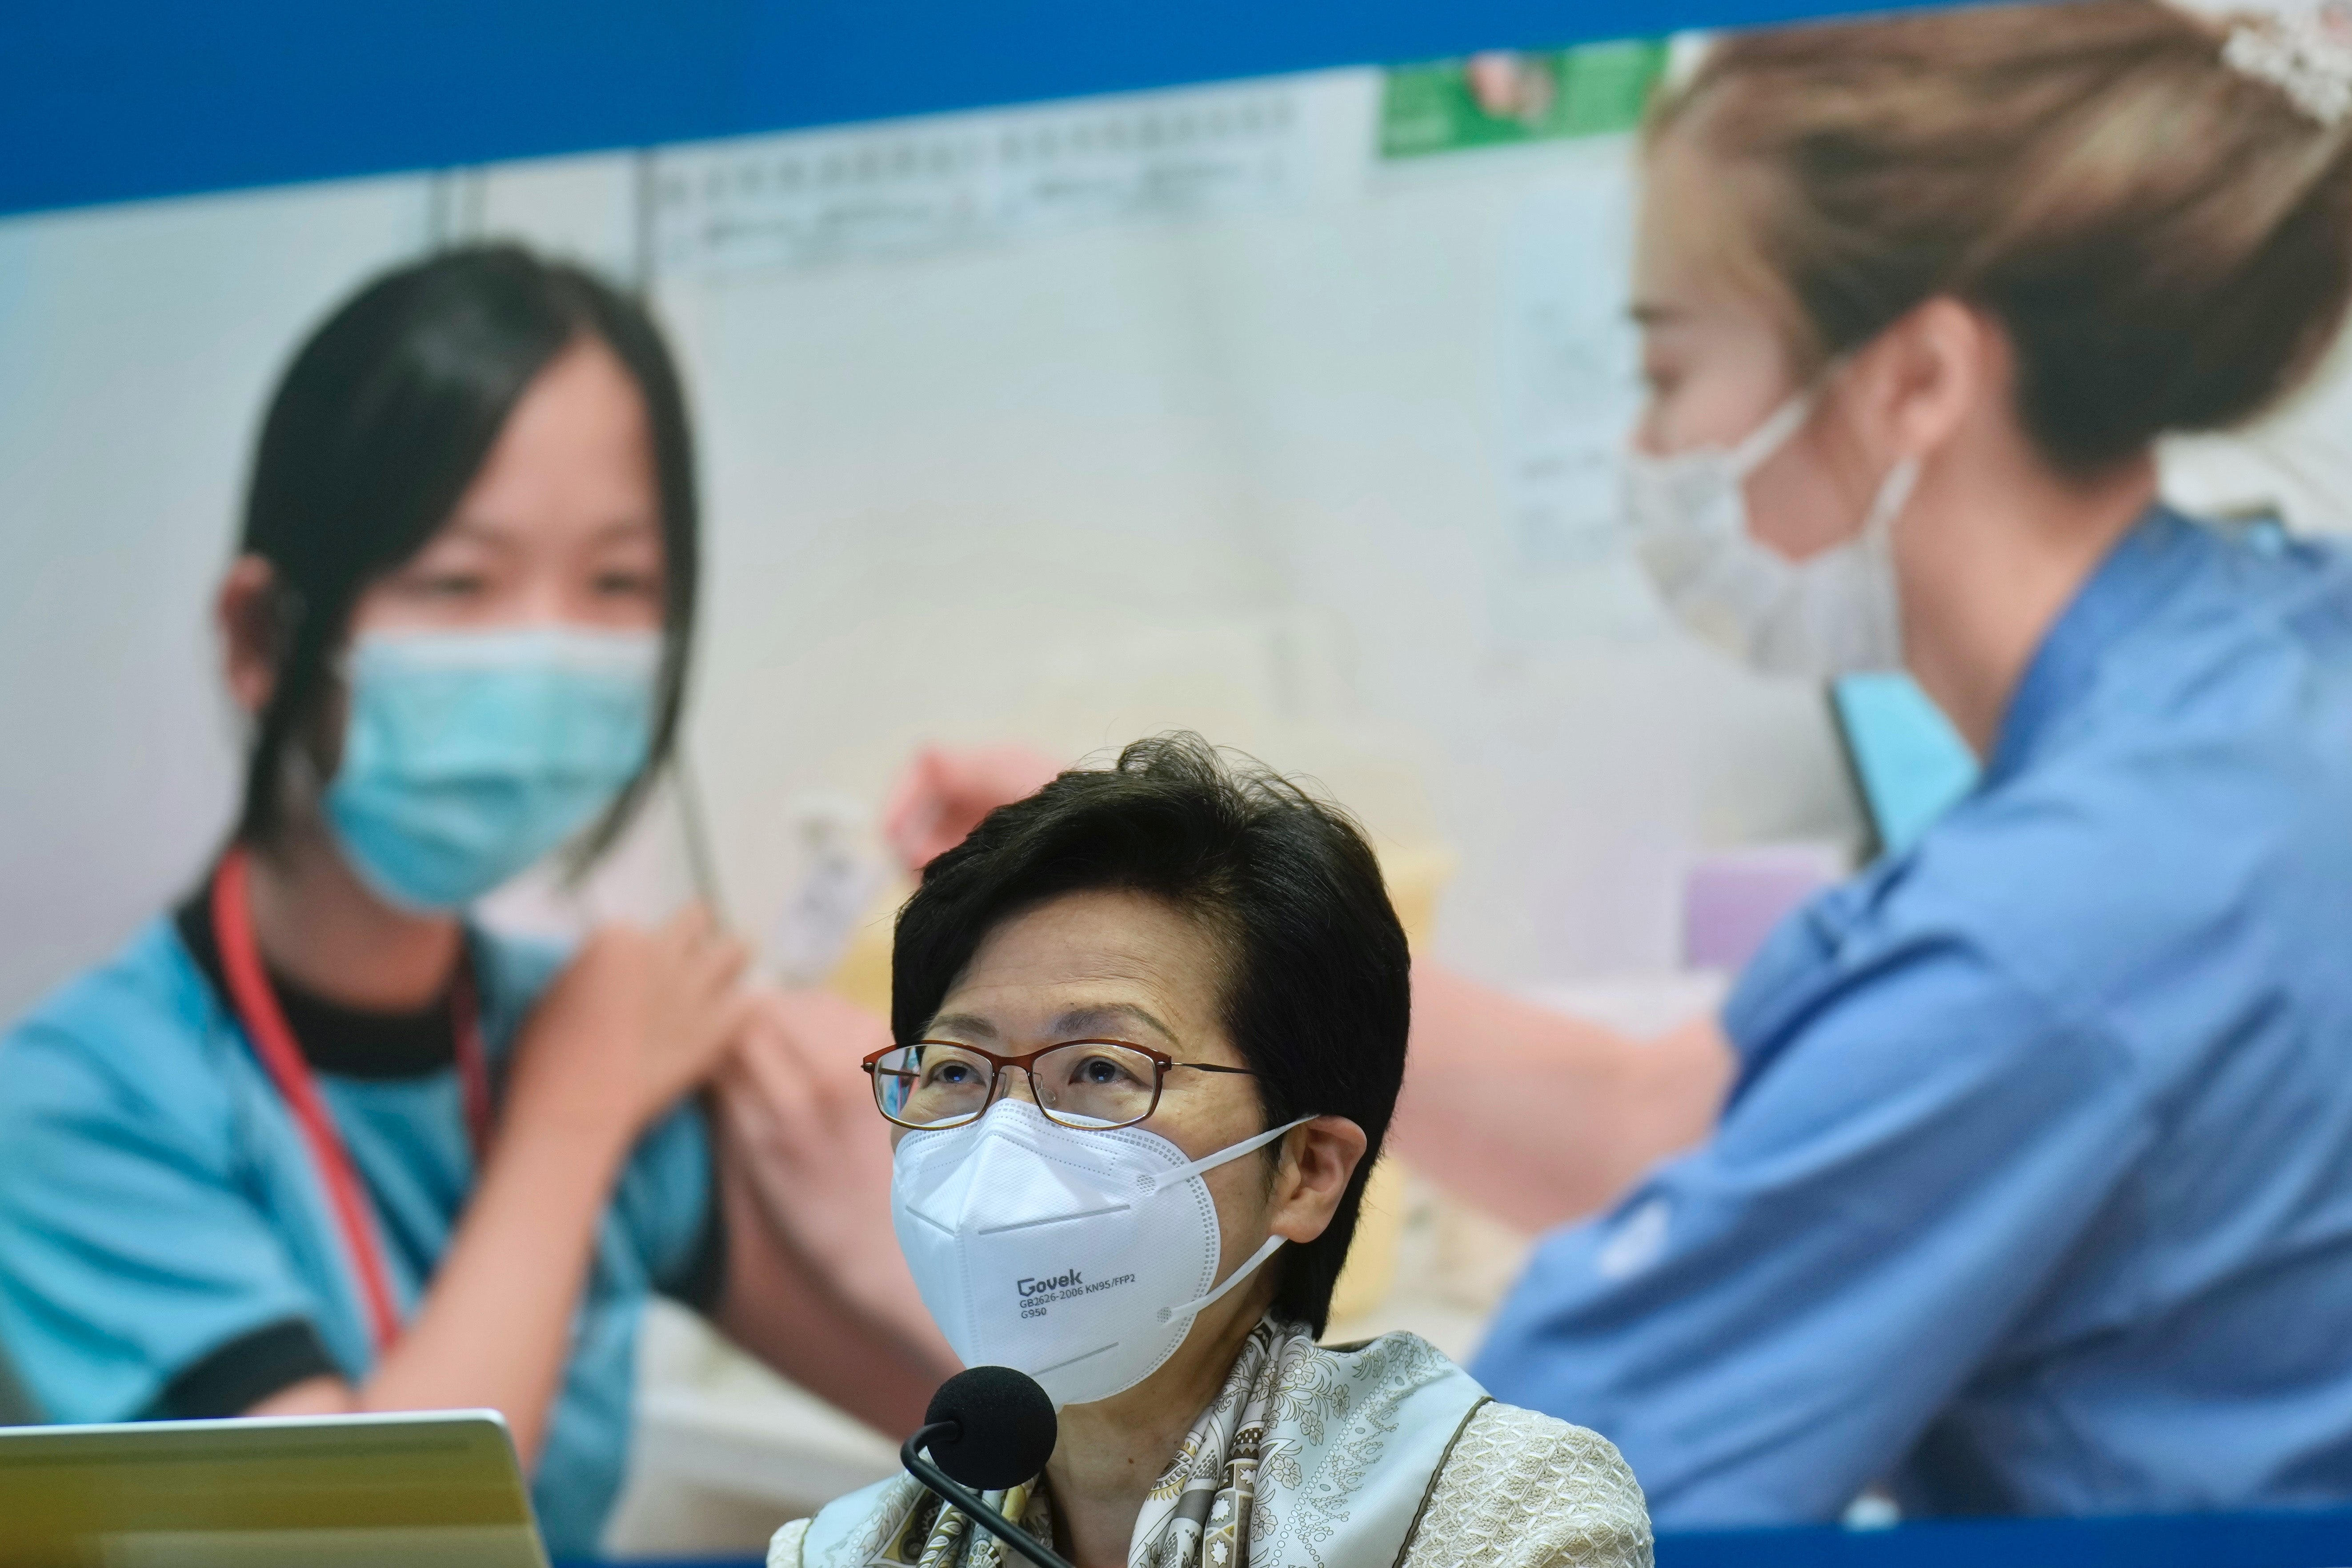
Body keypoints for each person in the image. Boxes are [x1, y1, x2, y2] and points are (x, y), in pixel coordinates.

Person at [1393, 0, 2352, 1525]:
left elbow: (1518, 1521)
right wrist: (1210, 935)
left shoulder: (2065, 923)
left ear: (1915, 380)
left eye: (1667, 373)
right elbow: (1679, 1121)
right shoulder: (2261, 667)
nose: (1650, 455)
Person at [0, 245, 950, 1555]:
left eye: (616, 585)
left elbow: (1066, 1462)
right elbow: (357, 1552)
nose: (546, 650)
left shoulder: (596, 1034)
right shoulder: (82, 1107)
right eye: (458, 582)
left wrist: (957, 1142)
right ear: (262, 637)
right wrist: (567, 1119)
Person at [764, 735, 1653, 1568]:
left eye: (1103, 1067)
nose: (1005, 1140)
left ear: (1305, 1171)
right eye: (957, 1070)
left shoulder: (1501, 1516)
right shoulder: (841, 1552)